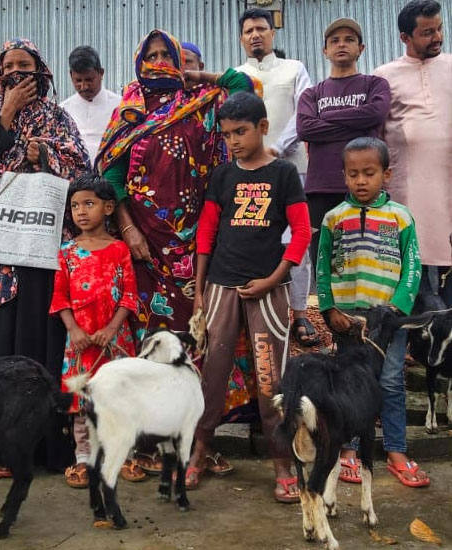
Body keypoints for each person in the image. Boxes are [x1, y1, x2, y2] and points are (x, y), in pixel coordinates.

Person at [96, 30, 257, 478]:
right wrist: (127, 227)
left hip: (195, 246)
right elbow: (111, 174)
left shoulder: (203, 101)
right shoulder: (129, 110)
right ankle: (150, 444)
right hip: (146, 246)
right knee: (153, 343)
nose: (162, 61)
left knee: (196, 341)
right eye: (153, 55)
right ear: (138, 60)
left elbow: (244, 88)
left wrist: (196, 74)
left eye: (168, 54)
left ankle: (196, 442)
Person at [0, 37, 88, 473]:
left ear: (41, 72)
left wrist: (46, 154)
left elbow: (81, 168)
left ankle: (37, 450)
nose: (17, 72)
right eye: (9, 66)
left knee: (36, 344)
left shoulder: (57, 116)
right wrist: (7, 114)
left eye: (25, 65)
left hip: (41, 251)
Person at [190, 92, 311, 502]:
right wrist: (200, 294)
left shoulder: (283, 175)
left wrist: (275, 277)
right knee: (214, 371)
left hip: (267, 290)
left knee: (269, 377)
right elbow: (205, 234)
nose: (233, 141)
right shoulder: (222, 176)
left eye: (240, 131)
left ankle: (282, 461)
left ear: (262, 127)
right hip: (222, 286)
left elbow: (301, 232)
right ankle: (200, 450)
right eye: (226, 135)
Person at [317, 137, 428, 488]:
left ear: (387, 174)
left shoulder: (401, 217)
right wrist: (329, 308)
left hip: (387, 322)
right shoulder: (334, 218)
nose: (361, 180)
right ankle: (347, 449)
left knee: (391, 383)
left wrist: (398, 309)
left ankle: (396, 450)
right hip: (348, 320)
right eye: (353, 174)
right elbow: (321, 266)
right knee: (350, 382)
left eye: (369, 172)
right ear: (344, 176)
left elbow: (413, 267)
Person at [236, 8, 318, 348]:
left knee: (295, 240)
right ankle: (253, 311)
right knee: (251, 237)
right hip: (246, 172)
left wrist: (277, 148)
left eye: (261, 29)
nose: (255, 35)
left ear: (272, 33)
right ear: (241, 39)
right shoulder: (236, 75)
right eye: (248, 31)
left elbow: (305, 111)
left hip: (291, 167)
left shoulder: (294, 69)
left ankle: (299, 313)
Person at [50, 173, 138, 489]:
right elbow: (59, 297)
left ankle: (124, 455)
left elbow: (130, 294)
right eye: (75, 206)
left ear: (109, 207)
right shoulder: (67, 252)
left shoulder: (119, 250)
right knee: (81, 402)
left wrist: (113, 328)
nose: (81, 211)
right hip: (81, 342)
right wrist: (73, 329)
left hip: (116, 341)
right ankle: (83, 459)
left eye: (89, 203)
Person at [375, 0, 452, 313]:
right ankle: (420, 356)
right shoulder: (384, 76)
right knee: (413, 278)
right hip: (408, 192)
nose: (437, 37)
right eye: (427, 32)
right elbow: (377, 134)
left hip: (448, 187)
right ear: (405, 38)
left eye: (439, 29)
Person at [298, 18, 390, 267]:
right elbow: (305, 128)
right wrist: (357, 123)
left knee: (370, 260)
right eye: (334, 41)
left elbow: (376, 114)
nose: (342, 44)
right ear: (325, 50)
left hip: (366, 187)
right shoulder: (312, 93)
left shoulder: (375, 84)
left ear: (361, 48)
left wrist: (325, 118)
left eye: (349, 40)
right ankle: (329, 308)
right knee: (325, 262)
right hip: (321, 189)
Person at [60, 46, 121, 163]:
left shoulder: (120, 106)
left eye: (89, 80)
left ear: (101, 73)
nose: (84, 87)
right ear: (71, 75)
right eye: (78, 80)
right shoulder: (63, 110)